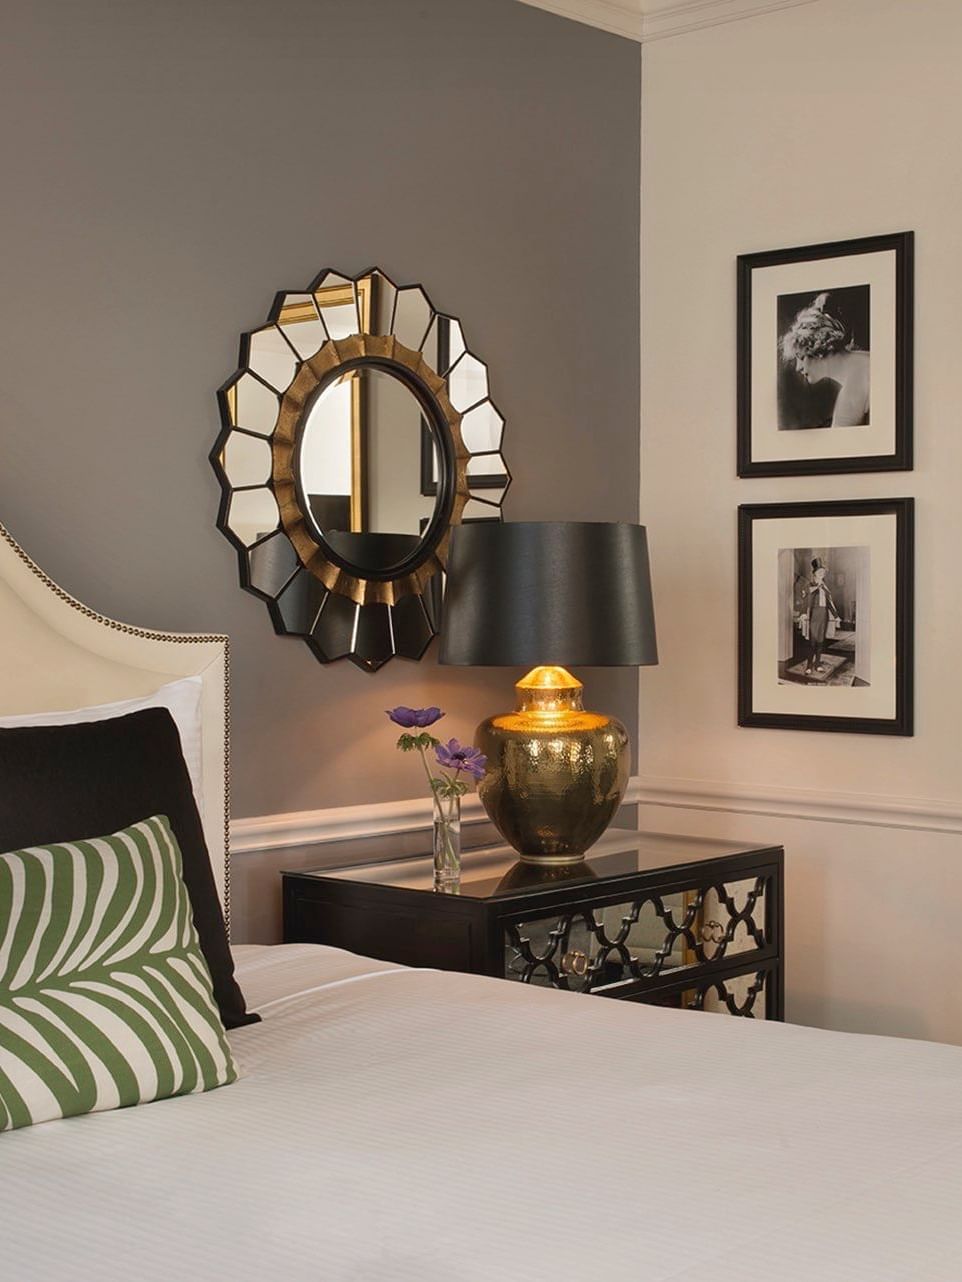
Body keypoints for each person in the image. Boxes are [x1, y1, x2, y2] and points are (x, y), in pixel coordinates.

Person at [780, 292, 870, 426]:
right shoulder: (867, 358)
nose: (798, 367)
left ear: (819, 349)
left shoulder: (849, 400)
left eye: (800, 357)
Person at [799, 558, 840, 676]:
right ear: (814, 574)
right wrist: (803, 613)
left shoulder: (825, 587)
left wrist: (836, 616)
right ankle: (809, 666)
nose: (822, 573)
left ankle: (817, 664)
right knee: (812, 642)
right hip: (813, 616)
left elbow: (829, 603)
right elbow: (805, 600)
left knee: (821, 642)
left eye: (823, 572)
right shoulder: (809, 586)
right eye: (819, 572)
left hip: (824, 616)